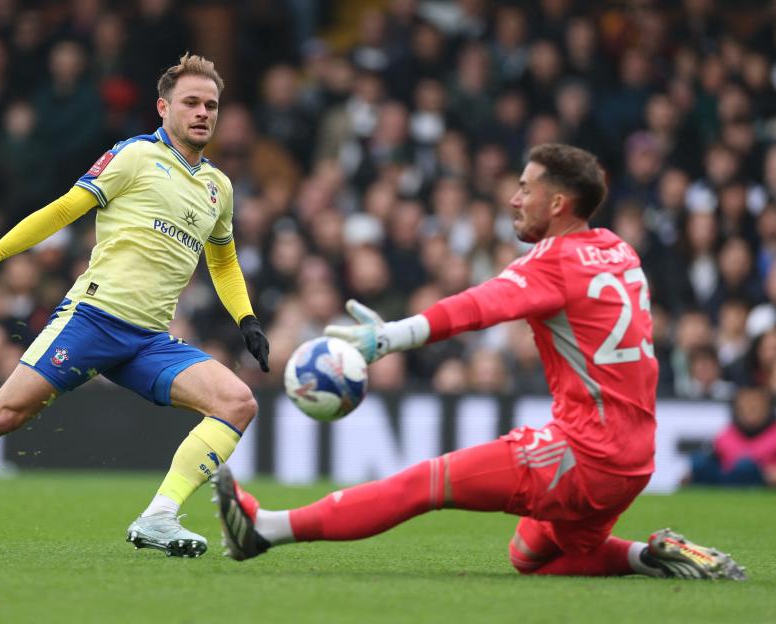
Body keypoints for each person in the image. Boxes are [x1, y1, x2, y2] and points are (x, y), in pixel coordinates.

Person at [213, 144, 746, 580]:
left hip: (584, 453)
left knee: (426, 482)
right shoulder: (617, 250)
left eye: (525, 188)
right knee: (531, 556)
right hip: (633, 457)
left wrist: (388, 338)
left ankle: (265, 529)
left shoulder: (554, 262)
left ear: (558, 202)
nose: (514, 199)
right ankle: (652, 554)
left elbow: (477, 307)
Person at [0, 54, 270, 558]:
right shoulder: (133, 157)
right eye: (191, 102)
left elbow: (225, 261)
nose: (203, 113)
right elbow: (65, 207)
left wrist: (247, 319)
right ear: (163, 107)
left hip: (148, 340)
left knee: (238, 403)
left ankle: (159, 516)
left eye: (211, 105)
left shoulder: (219, 187)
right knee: (1, 416)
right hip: (94, 320)